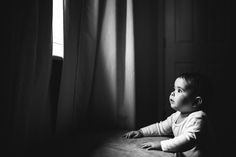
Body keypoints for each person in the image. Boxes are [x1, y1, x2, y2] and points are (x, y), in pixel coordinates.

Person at [123, 72, 209, 157]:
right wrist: (141, 132)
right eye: (174, 89)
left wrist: (161, 145)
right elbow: (160, 127)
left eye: (179, 90)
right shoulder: (176, 116)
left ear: (196, 102)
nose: (172, 93)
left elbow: (188, 140)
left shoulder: (198, 118)